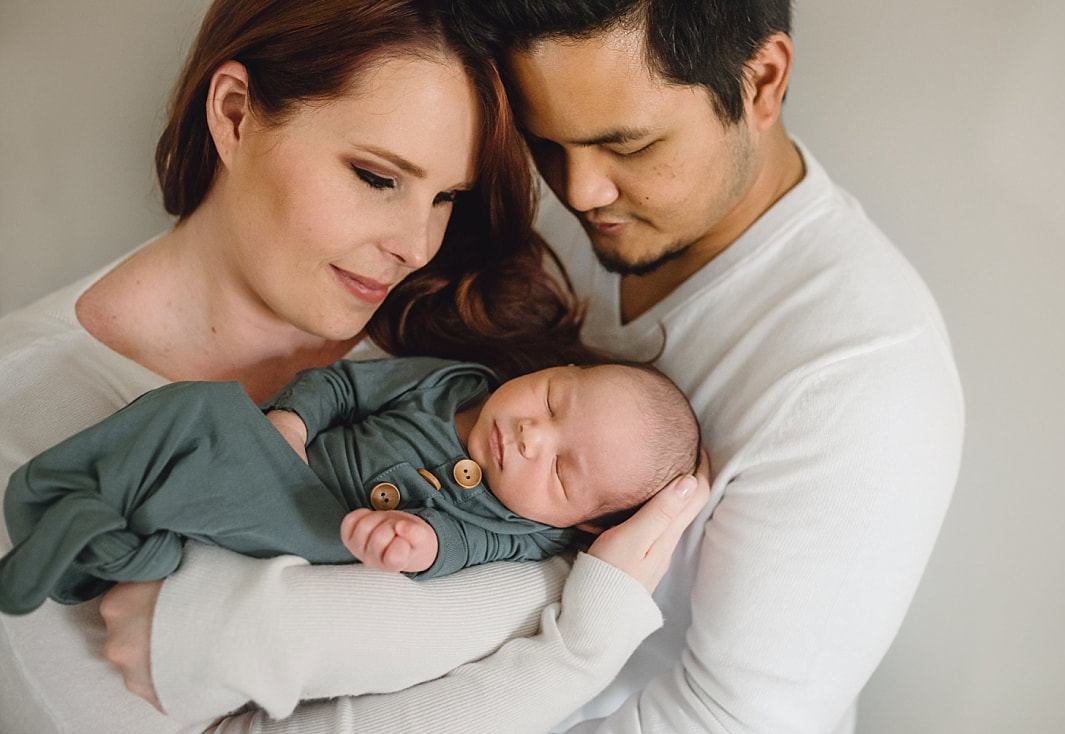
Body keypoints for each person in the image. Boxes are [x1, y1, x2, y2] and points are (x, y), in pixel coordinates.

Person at [98, 1, 966, 732]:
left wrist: (255, 650)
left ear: (763, 81)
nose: (580, 191)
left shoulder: (859, 381)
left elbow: (726, 721)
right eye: (551, 144)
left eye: (626, 146)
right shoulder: (567, 216)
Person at [0, 0, 707, 731]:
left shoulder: (474, 342)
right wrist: (566, 644)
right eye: (377, 177)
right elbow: (540, 601)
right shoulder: (18, 407)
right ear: (236, 114)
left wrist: (241, 627)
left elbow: (549, 552)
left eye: (447, 198)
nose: (418, 246)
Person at [1, 356, 700, 617]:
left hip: (323, 530)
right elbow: (343, 383)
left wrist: (416, 540)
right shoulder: (457, 382)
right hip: (289, 466)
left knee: (202, 421)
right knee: (196, 409)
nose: (529, 436)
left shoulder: (526, 529)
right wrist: (293, 421)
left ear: (579, 523)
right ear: (554, 367)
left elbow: (466, 544)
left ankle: (66, 511)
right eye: (551, 400)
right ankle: (101, 529)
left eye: (560, 469)